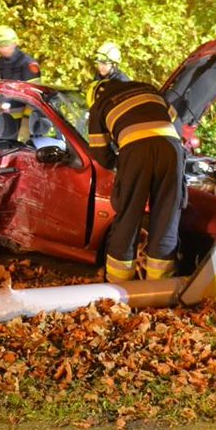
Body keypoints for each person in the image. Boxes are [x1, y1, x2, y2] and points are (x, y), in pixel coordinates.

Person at [86, 78, 185, 283]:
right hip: (171, 149)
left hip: (136, 152)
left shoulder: (100, 106)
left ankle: (118, 285)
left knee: (128, 216)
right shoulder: (149, 90)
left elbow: (101, 155)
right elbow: (178, 126)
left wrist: (120, 162)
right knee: (167, 217)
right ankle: (160, 286)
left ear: (95, 96)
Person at [0, 26, 40, 141]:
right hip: (5, 114)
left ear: (14, 43)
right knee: (1, 145)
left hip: (29, 116)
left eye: (5, 45)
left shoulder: (28, 64)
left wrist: (26, 120)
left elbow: (35, 96)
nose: (2, 49)